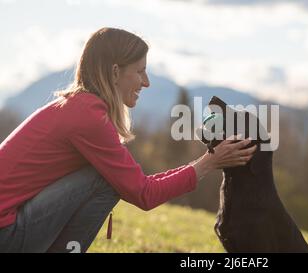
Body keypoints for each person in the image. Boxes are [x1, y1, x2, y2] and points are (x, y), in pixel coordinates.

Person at [0, 27, 256, 253]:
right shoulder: (89, 117)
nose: (146, 82)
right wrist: (209, 163)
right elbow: (143, 194)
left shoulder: (77, 107)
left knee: (106, 176)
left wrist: (203, 163)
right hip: (5, 235)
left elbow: (138, 185)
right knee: (103, 178)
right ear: (114, 72)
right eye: (140, 71)